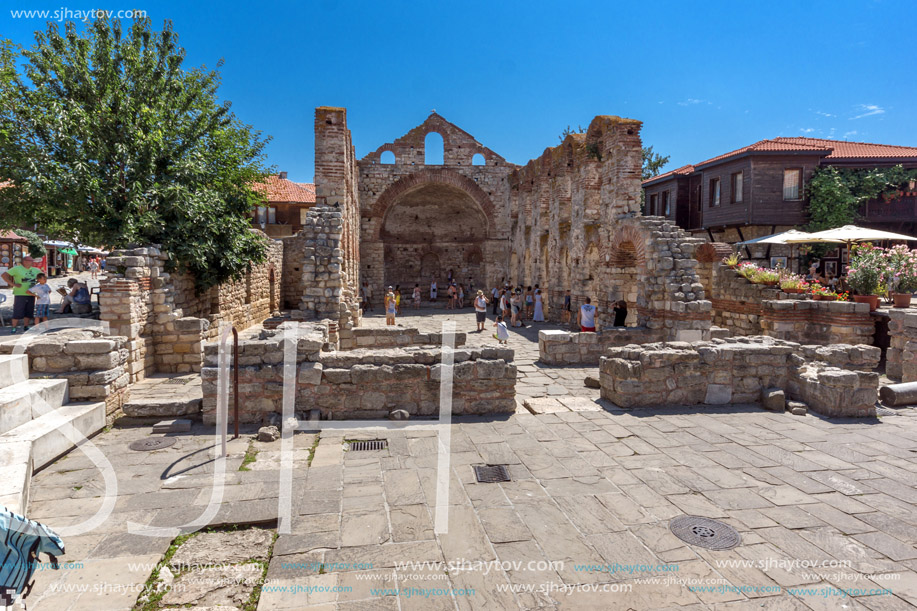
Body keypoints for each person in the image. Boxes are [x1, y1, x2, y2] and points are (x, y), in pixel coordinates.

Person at [2, 256, 39, 333]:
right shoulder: (17, 268)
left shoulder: (35, 270)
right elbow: (4, 275)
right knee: (18, 311)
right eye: (31, 261)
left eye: (33, 260)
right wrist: (13, 284)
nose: (32, 262)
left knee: (29, 311)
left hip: (31, 294)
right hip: (20, 293)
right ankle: (14, 327)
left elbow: (43, 277)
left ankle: (26, 326)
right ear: (25, 261)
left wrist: (37, 285)